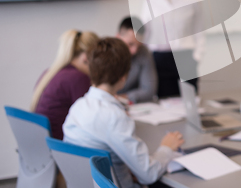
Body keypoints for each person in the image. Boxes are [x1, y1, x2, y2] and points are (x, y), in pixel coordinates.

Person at [63, 37, 184, 188]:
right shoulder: (114, 116)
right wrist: (166, 148)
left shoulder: (76, 108)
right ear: (124, 77)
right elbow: (149, 174)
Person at [141, 0, 204, 98]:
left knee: (190, 100)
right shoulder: (150, 3)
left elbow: (199, 30)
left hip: (186, 55)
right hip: (160, 58)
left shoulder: (192, 0)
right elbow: (145, 33)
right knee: (165, 100)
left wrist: (197, 55)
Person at [31, 30, 99, 140]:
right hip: (61, 146)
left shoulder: (50, 73)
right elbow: (91, 121)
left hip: (45, 144)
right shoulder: (78, 78)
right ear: (86, 57)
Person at [116, 16, 158, 103]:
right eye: (130, 44)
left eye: (138, 46)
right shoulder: (104, 54)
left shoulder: (144, 52)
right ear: (118, 37)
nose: (134, 51)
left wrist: (120, 98)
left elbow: (148, 91)